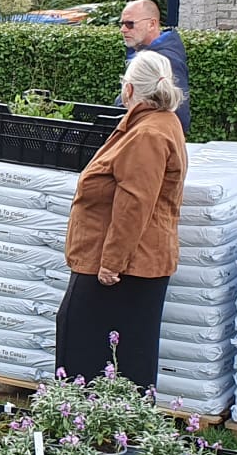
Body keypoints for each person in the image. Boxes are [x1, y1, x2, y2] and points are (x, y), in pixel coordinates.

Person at [55, 50, 188, 386]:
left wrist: (111, 263)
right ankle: (115, 428)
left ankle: (83, 424)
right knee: (129, 352)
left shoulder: (147, 135)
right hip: (134, 261)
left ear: (129, 90)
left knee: (83, 345)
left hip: (123, 266)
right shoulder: (158, 123)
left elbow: (134, 205)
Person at [117, 0, 190, 133]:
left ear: (152, 24)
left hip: (149, 141)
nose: (123, 29)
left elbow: (179, 114)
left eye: (130, 24)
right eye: (121, 24)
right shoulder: (146, 51)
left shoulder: (165, 60)